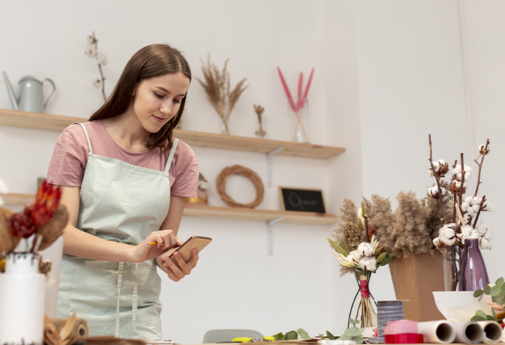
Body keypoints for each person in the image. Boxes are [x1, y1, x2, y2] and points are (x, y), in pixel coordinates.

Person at [46, 44, 200, 340]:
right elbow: (60, 232)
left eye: (178, 100)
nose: (167, 109)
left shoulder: (181, 158)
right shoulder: (79, 140)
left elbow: (160, 246)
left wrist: (173, 260)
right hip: (72, 308)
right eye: (159, 94)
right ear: (132, 86)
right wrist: (133, 252)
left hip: (139, 310)